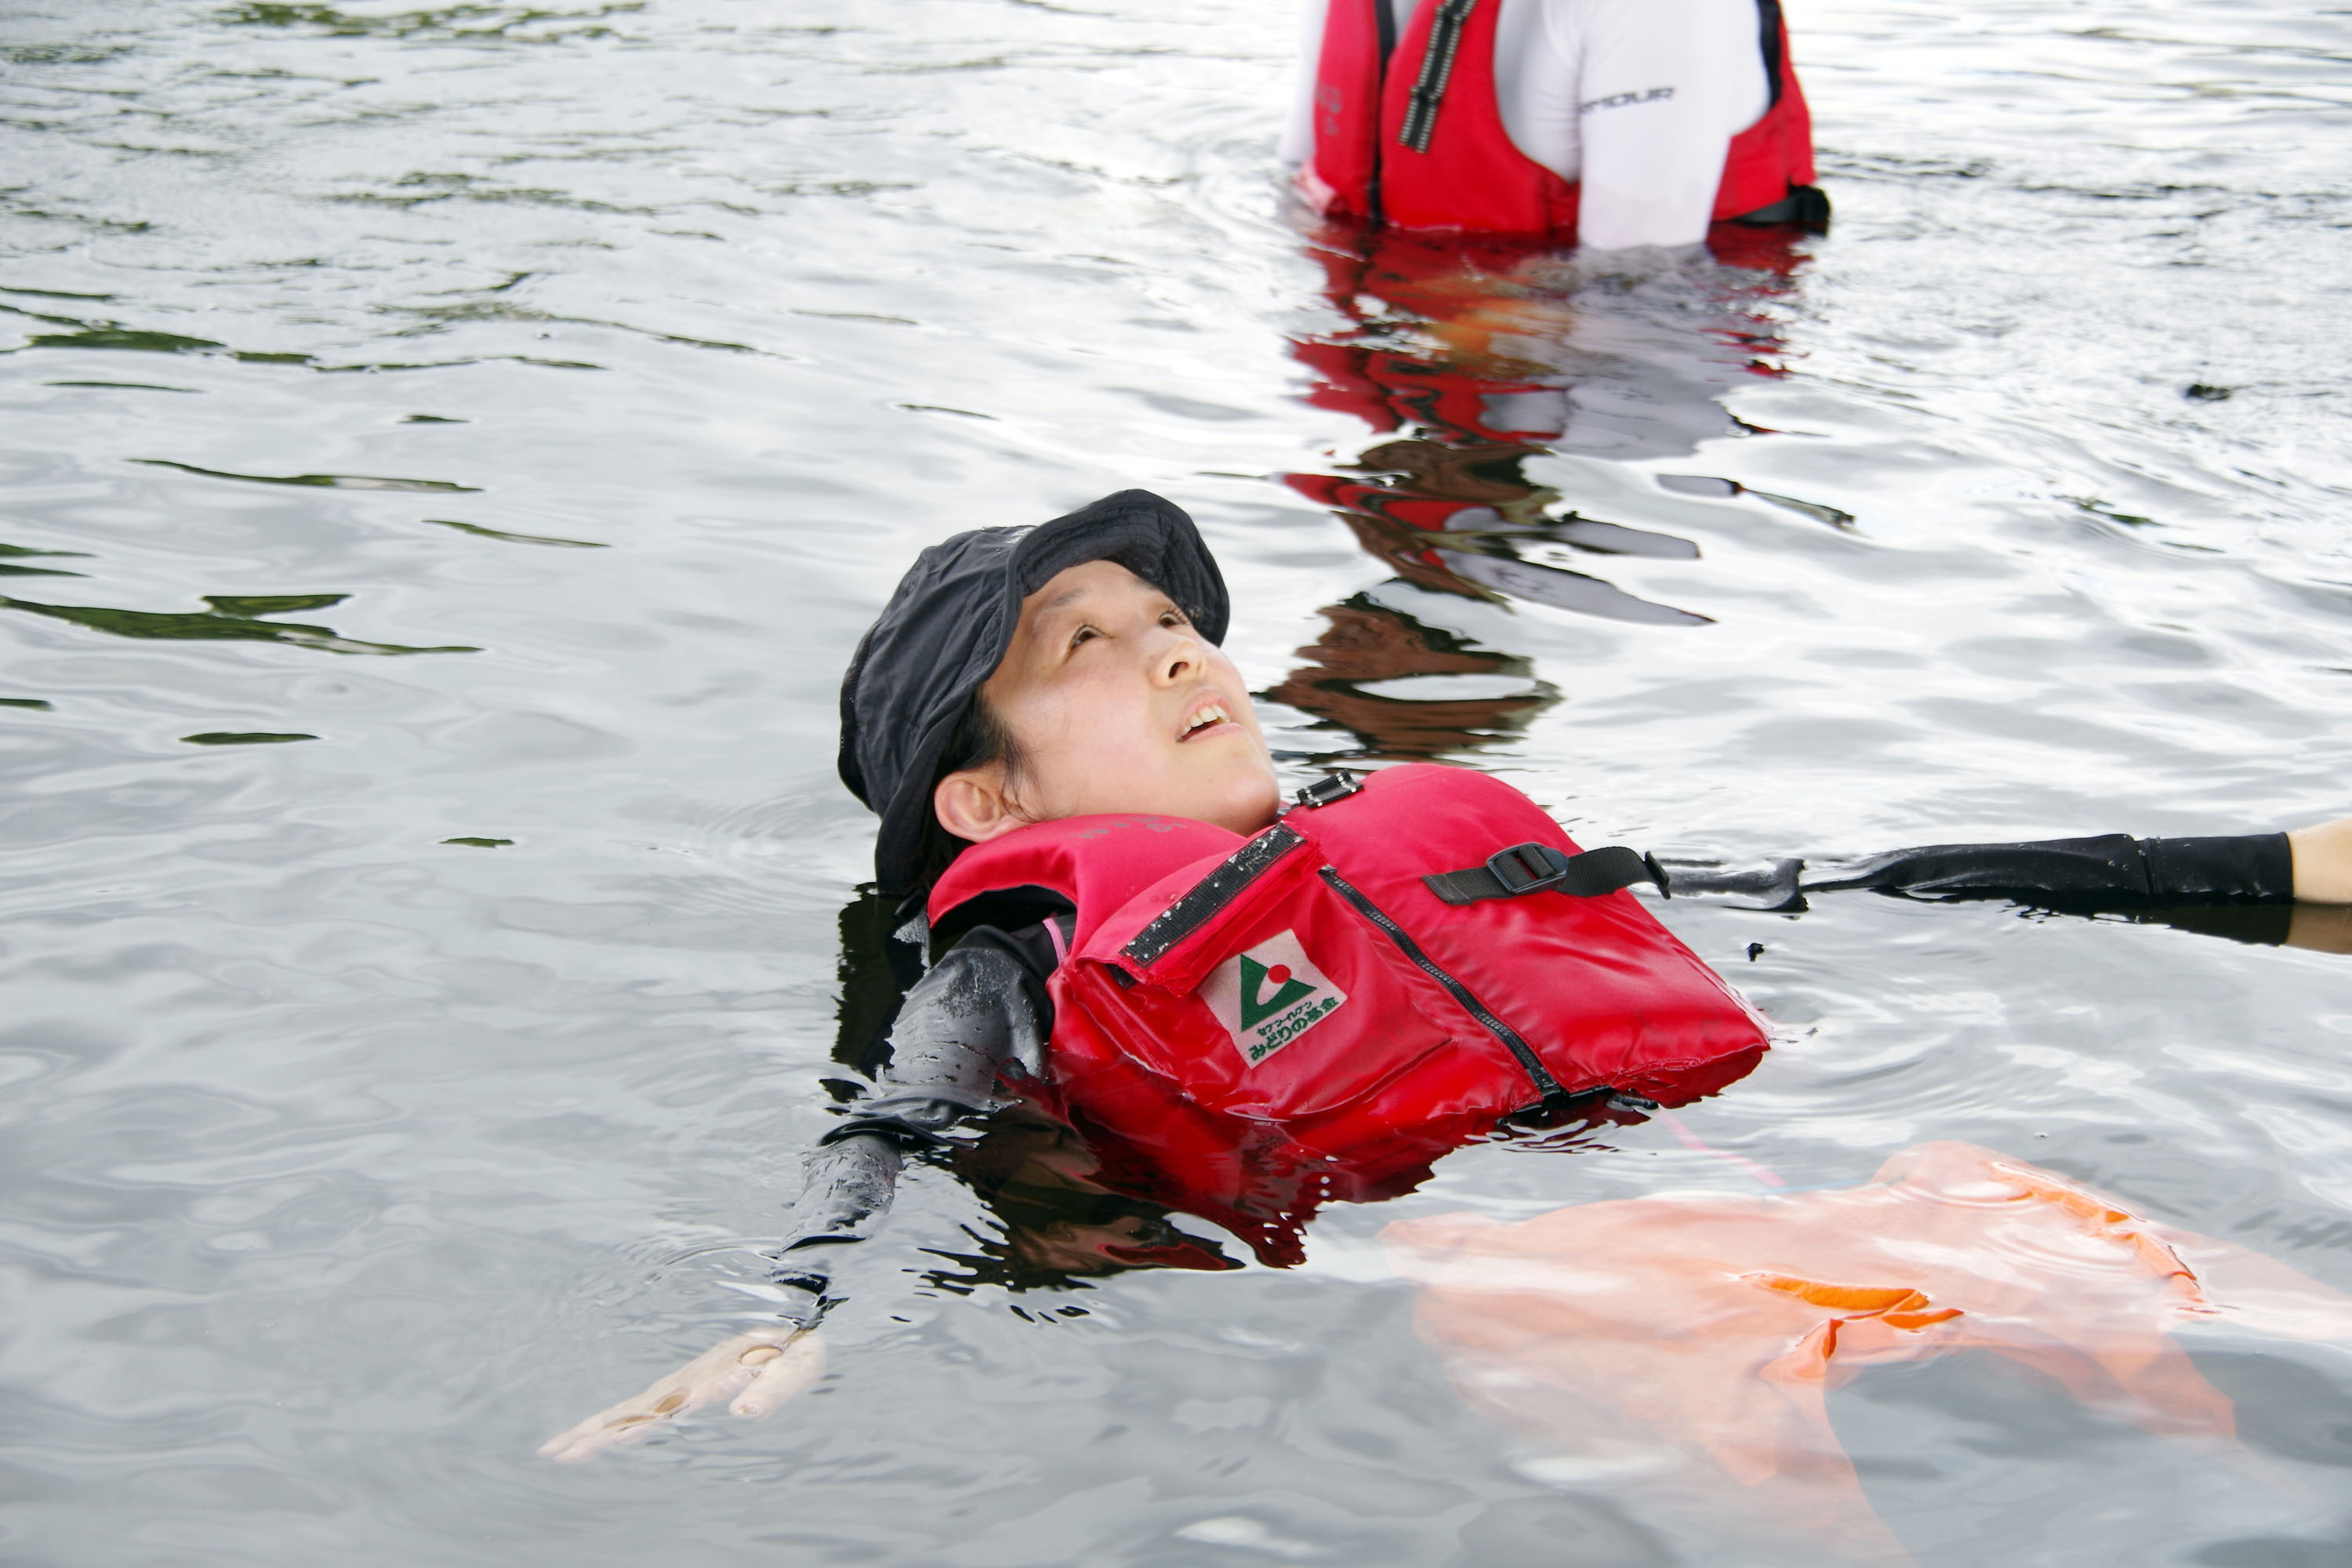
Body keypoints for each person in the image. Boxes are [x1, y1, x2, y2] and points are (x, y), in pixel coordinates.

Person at [541, 489, 2352, 1461]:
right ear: (988, 797)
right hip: (1522, 1276)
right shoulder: (1021, 949)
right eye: (1090, 645)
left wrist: (2275, 866)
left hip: (1808, 1194)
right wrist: (789, 1309)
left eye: (1176, 619)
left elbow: (1844, 878)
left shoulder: (1401, 832)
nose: (1180, 653)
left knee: (2155, 1292)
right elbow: (908, 1108)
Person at [1283, 0, 1828, 248]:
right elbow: (1299, 194)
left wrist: (1442, 329)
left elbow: (1644, 292)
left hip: (1627, 380)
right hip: (1391, 358)